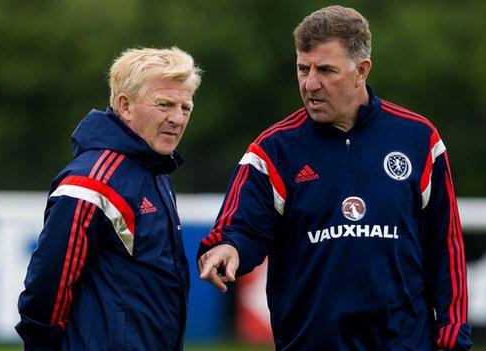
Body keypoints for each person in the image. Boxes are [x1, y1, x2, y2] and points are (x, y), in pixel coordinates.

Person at [198, 5, 472, 350]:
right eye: (302, 69)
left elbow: (446, 245)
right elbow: (240, 228)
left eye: (326, 70)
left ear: (361, 70)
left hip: (404, 343)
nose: (310, 83)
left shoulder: (418, 139)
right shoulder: (273, 150)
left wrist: (452, 334)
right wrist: (227, 247)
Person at [16, 47, 202, 350]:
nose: (177, 118)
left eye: (186, 107)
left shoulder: (155, 170)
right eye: (165, 104)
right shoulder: (91, 183)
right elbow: (47, 288)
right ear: (124, 106)